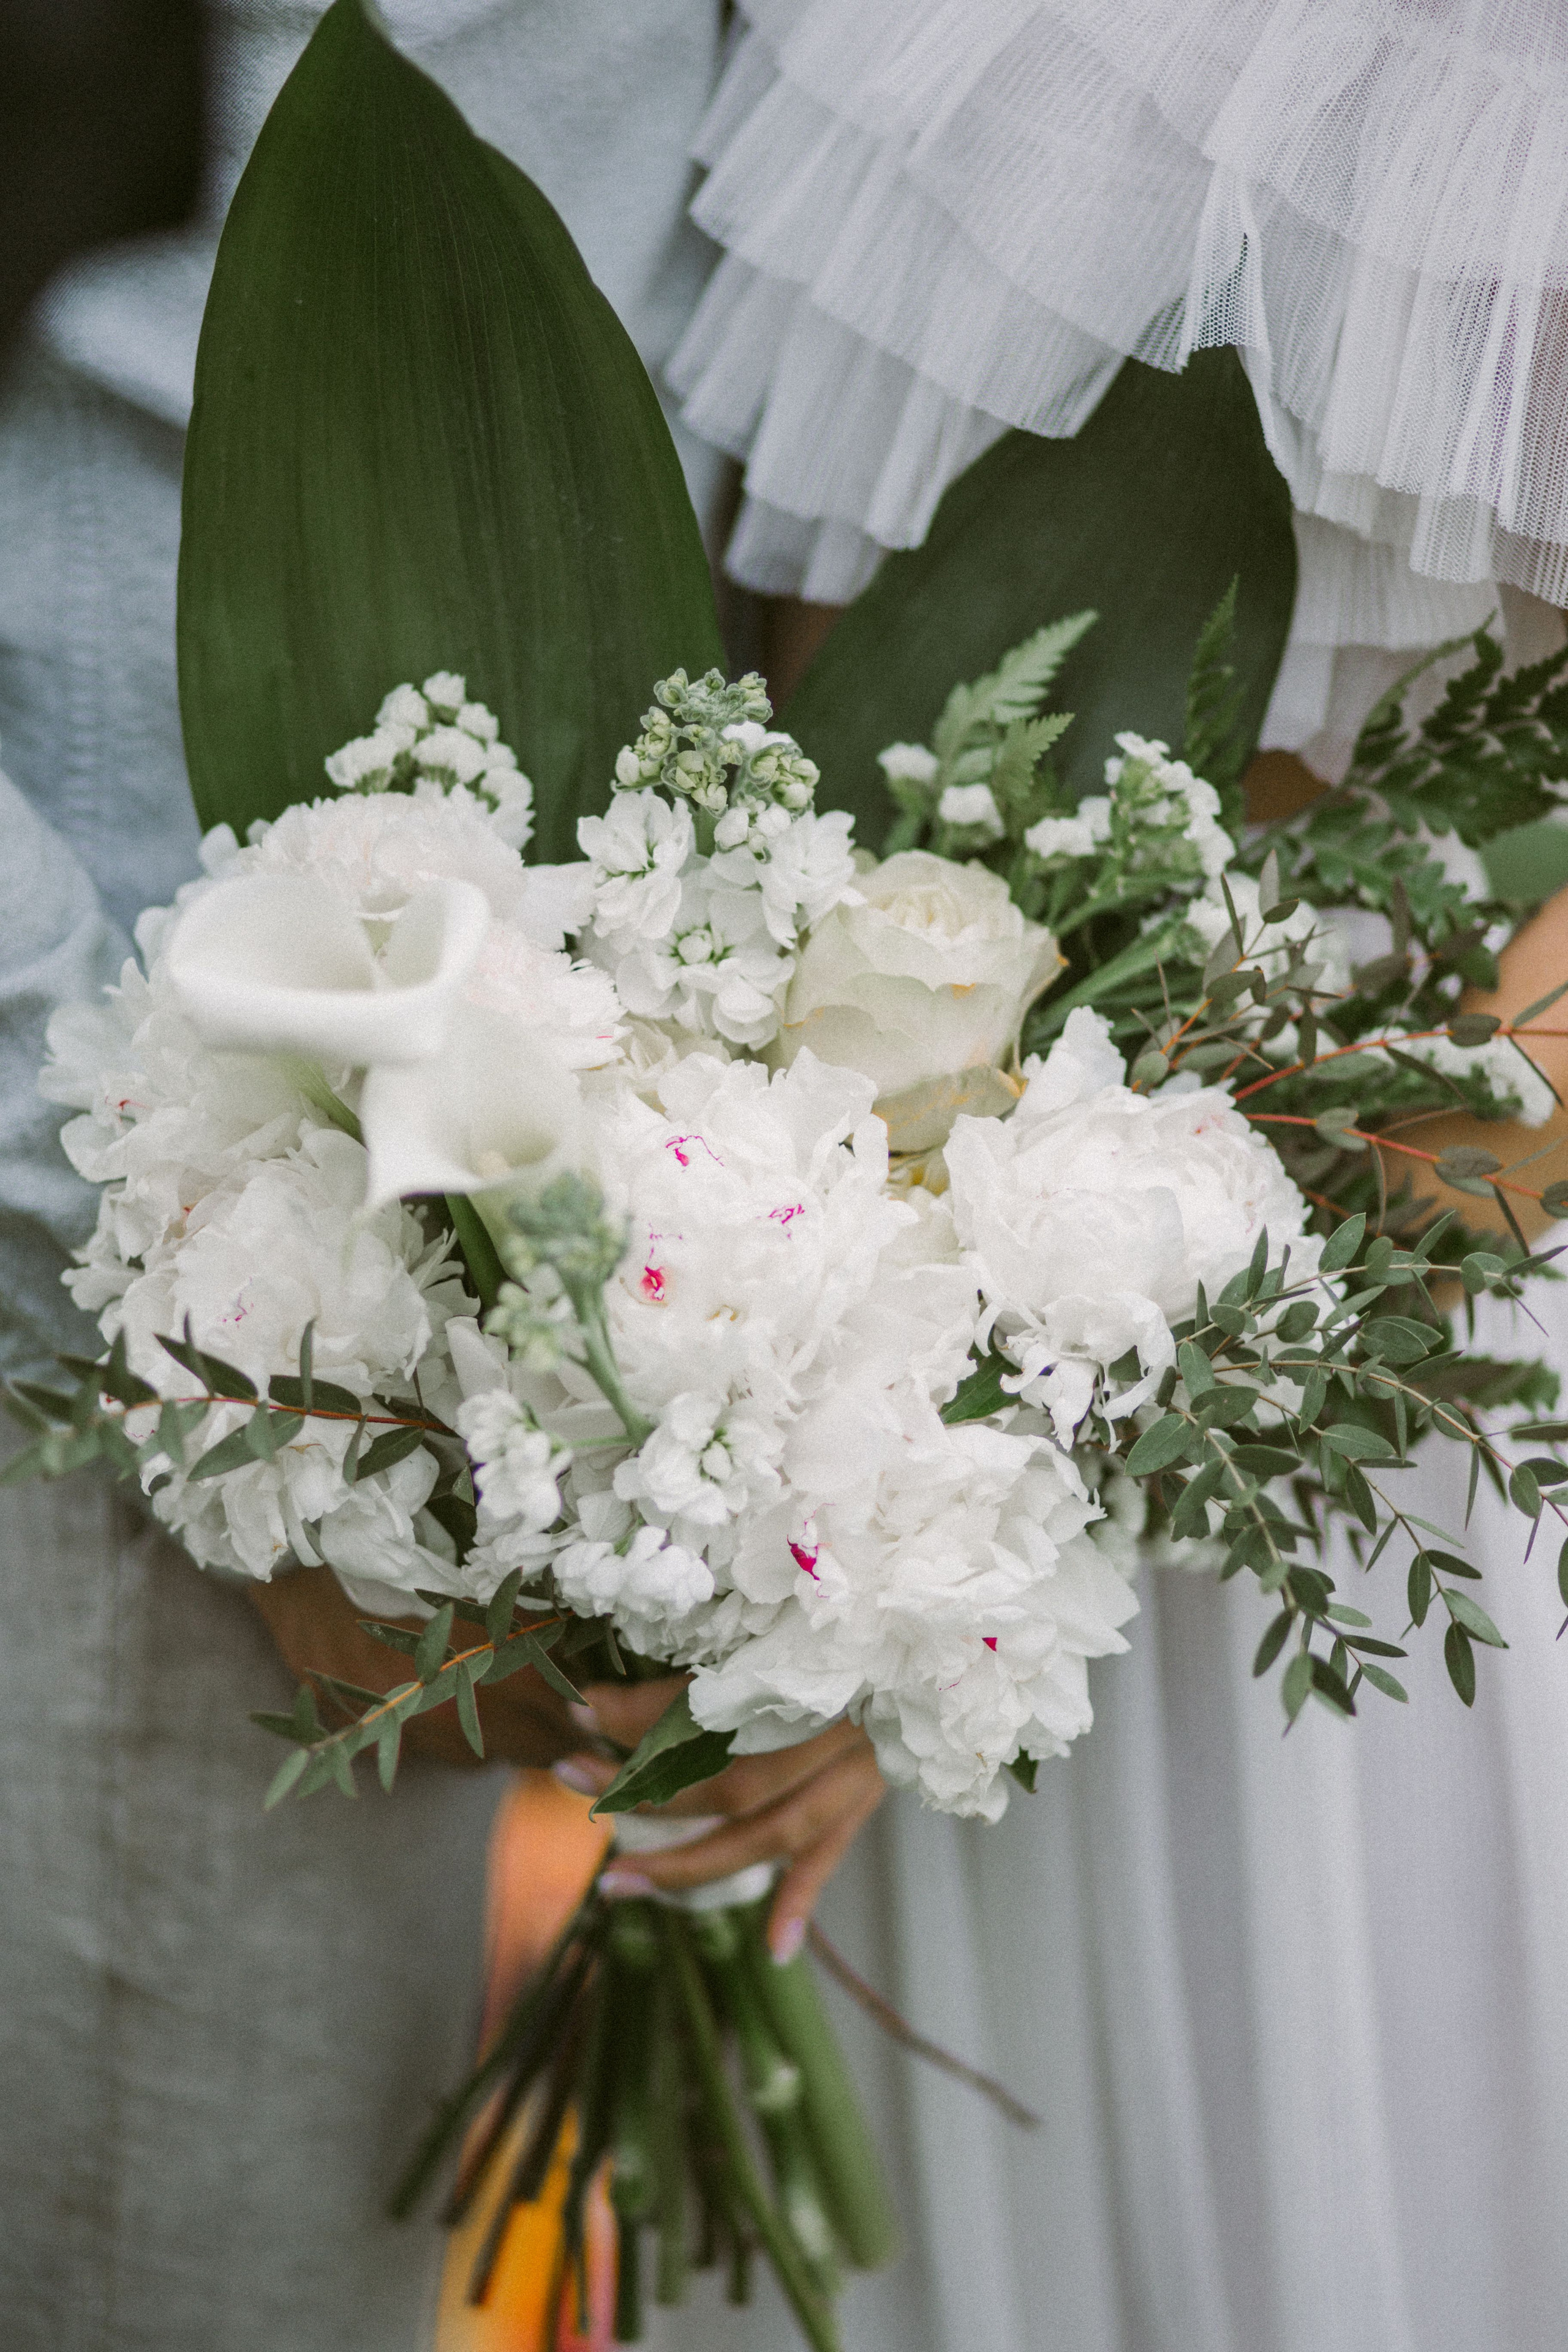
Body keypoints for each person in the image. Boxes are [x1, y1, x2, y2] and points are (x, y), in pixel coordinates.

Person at [541, 8, 1568, 2350]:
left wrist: (994, 1493)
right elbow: (795, 781)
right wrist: (803, 1451)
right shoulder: (902, 36)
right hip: (906, 1371)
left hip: (1408, 1397)